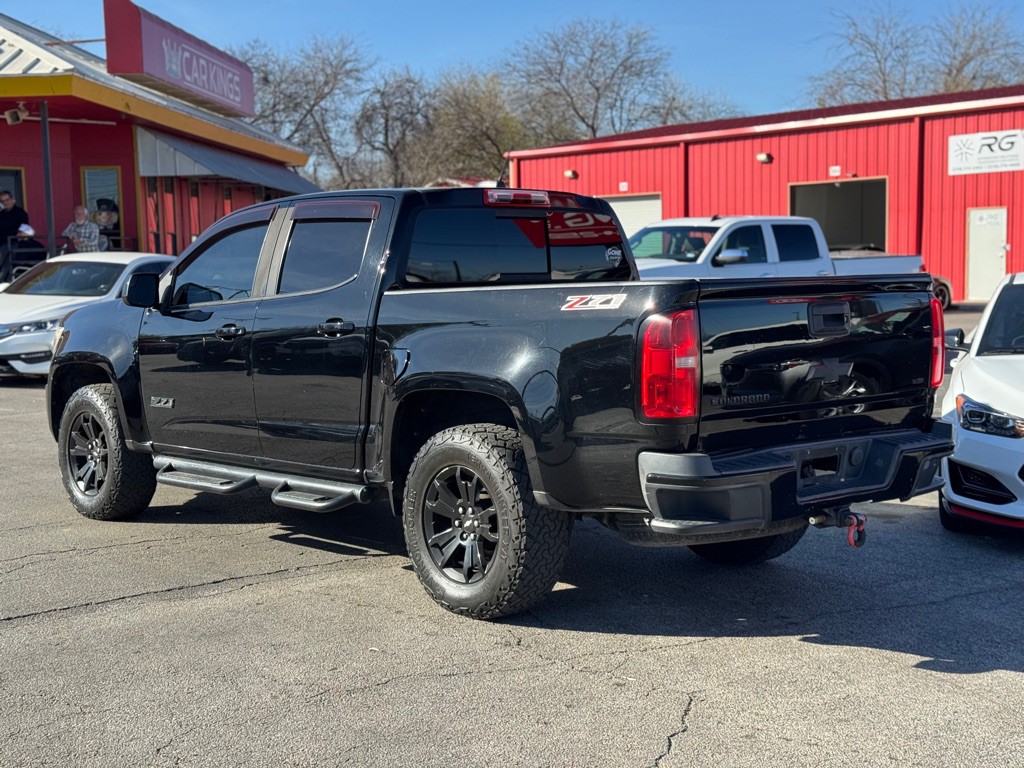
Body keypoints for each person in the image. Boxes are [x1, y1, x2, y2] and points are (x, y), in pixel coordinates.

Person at [0, 190, 31, 281]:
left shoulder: (20, 213)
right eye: (2, 201)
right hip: (2, 242)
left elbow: (25, 230)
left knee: (5, 255)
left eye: (7, 200)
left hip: (14, 243)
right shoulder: (1, 215)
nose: (5, 203)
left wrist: (18, 234)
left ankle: (5, 281)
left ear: (12, 199)